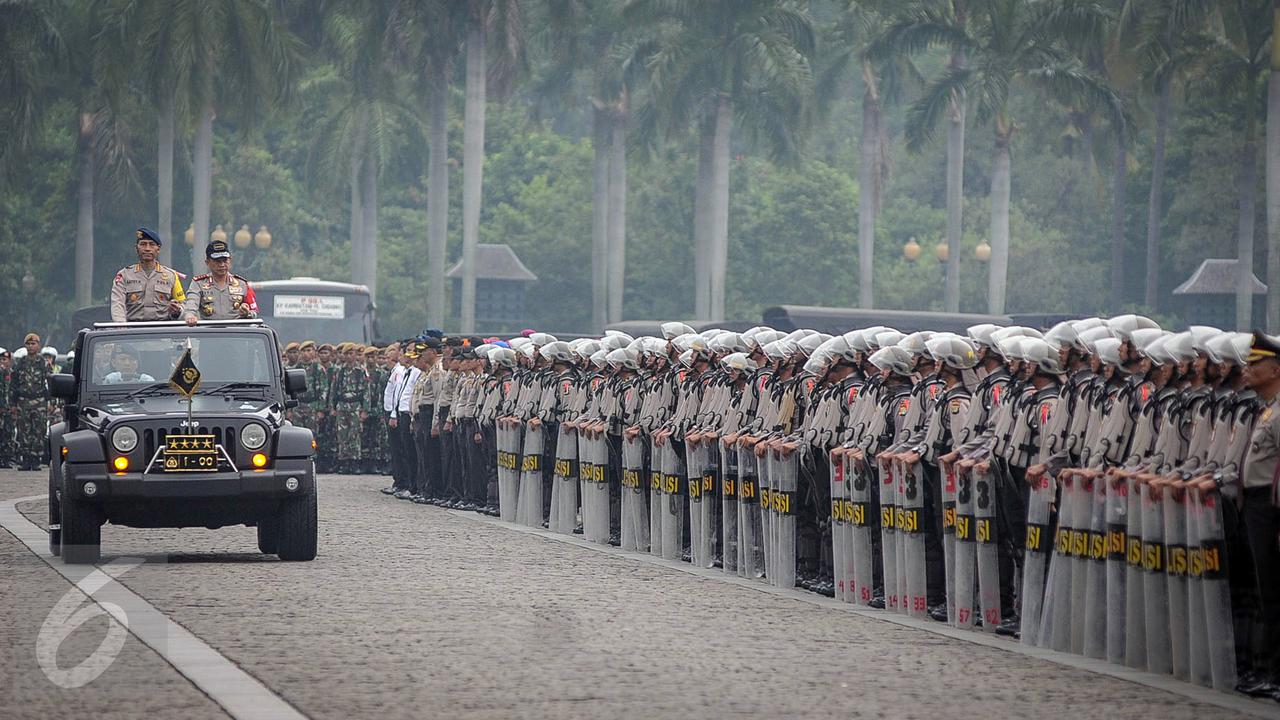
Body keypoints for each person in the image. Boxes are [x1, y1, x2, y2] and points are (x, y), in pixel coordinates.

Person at [110, 227, 186, 322]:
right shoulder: (124, 275)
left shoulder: (171, 276)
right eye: (143, 244)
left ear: (158, 249)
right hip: (132, 330)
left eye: (152, 244)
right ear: (136, 248)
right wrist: (120, 326)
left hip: (162, 331)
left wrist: (177, 311)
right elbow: (117, 304)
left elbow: (183, 306)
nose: (147, 249)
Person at [182, 240, 258, 324]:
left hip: (236, 333)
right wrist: (190, 316)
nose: (222, 264)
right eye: (217, 261)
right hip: (209, 332)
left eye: (225, 260)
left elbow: (254, 312)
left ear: (230, 261)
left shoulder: (242, 284)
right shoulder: (198, 283)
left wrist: (247, 313)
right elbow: (191, 304)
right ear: (207, 262)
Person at [9, 333, 50, 471]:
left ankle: (36, 459)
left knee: (39, 430)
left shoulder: (43, 363)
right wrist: (13, 404)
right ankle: (25, 459)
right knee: (23, 430)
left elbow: (49, 383)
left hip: (39, 401)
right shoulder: (20, 363)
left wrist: (52, 402)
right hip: (23, 401)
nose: (31, 346)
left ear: (38, 345)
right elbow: (13, 385)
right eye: (28, 344)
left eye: (33, 344)